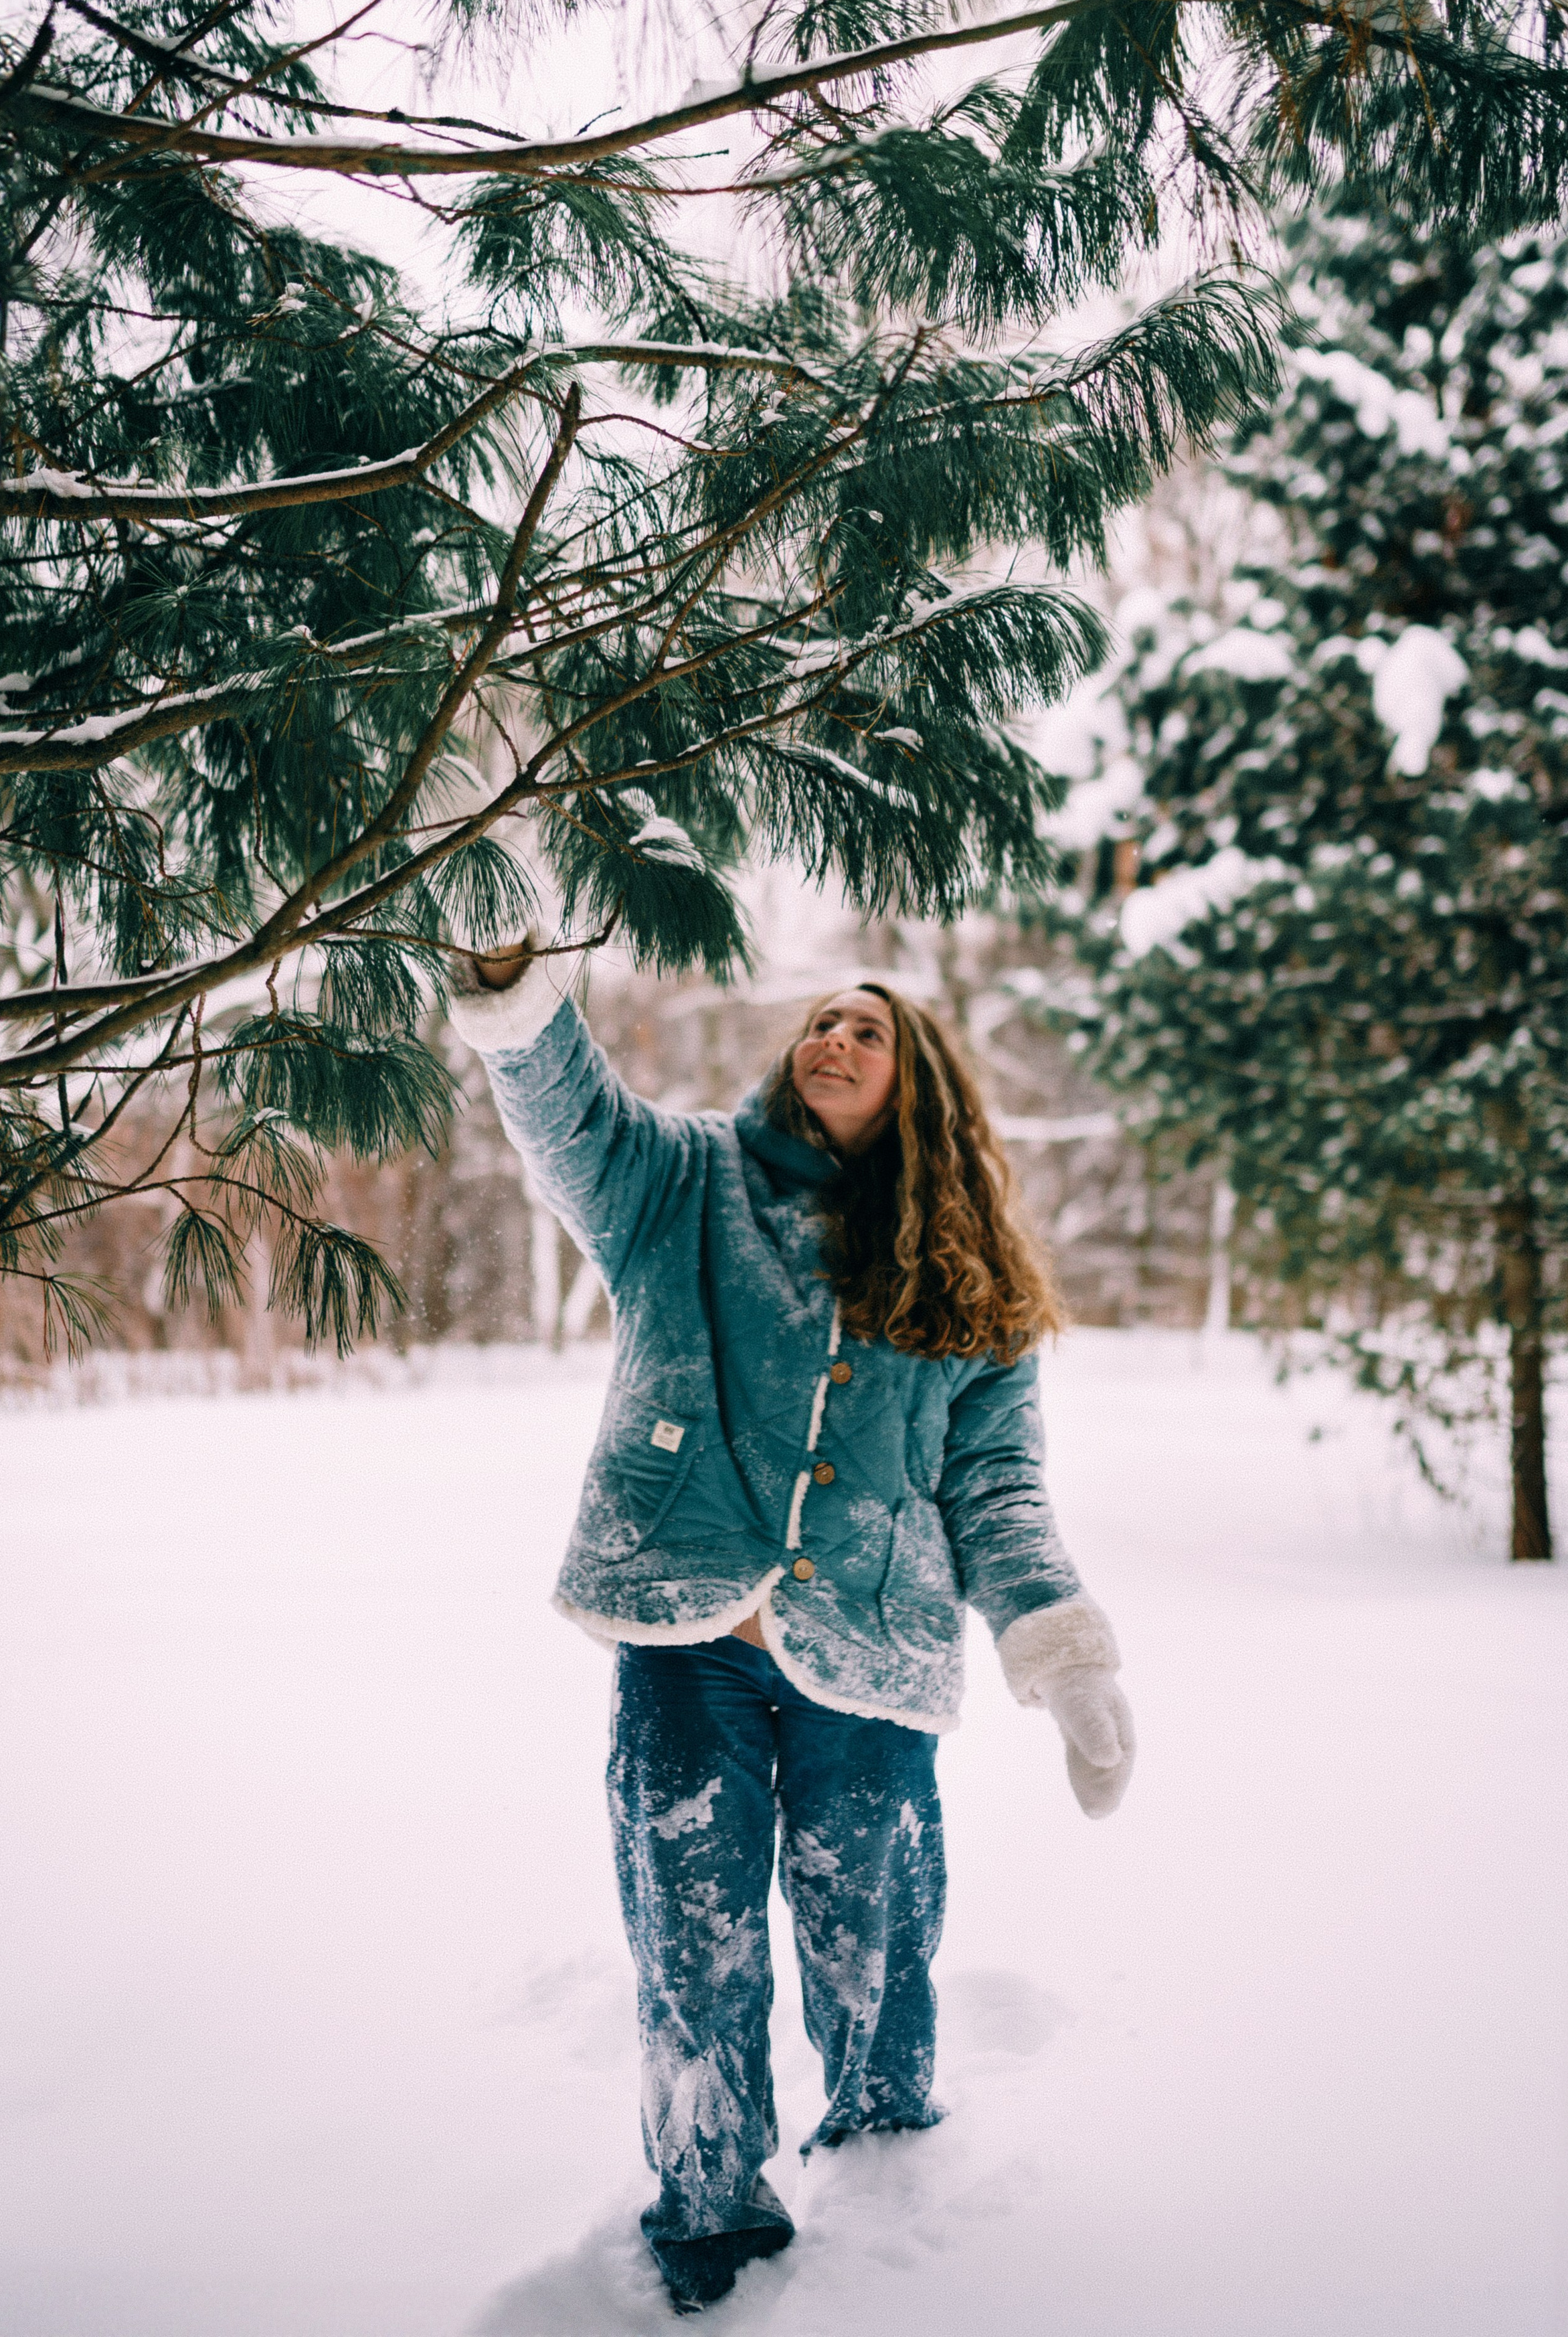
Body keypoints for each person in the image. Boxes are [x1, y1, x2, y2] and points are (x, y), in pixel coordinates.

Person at [450, 935, 1134, 2318]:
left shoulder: (973, 1280)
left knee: (868, 1939)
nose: (833, 1039)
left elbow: (995, 1488)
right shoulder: (686, 1181)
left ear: (917, 1082)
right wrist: (515, 983)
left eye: (867, 1032)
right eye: (821, 1020)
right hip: (687, 1637)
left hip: (873, 1657)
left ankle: (886, 2171)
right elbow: (570, 1115)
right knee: (689, 1944)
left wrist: (1061, 1650)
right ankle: (709, 2219)